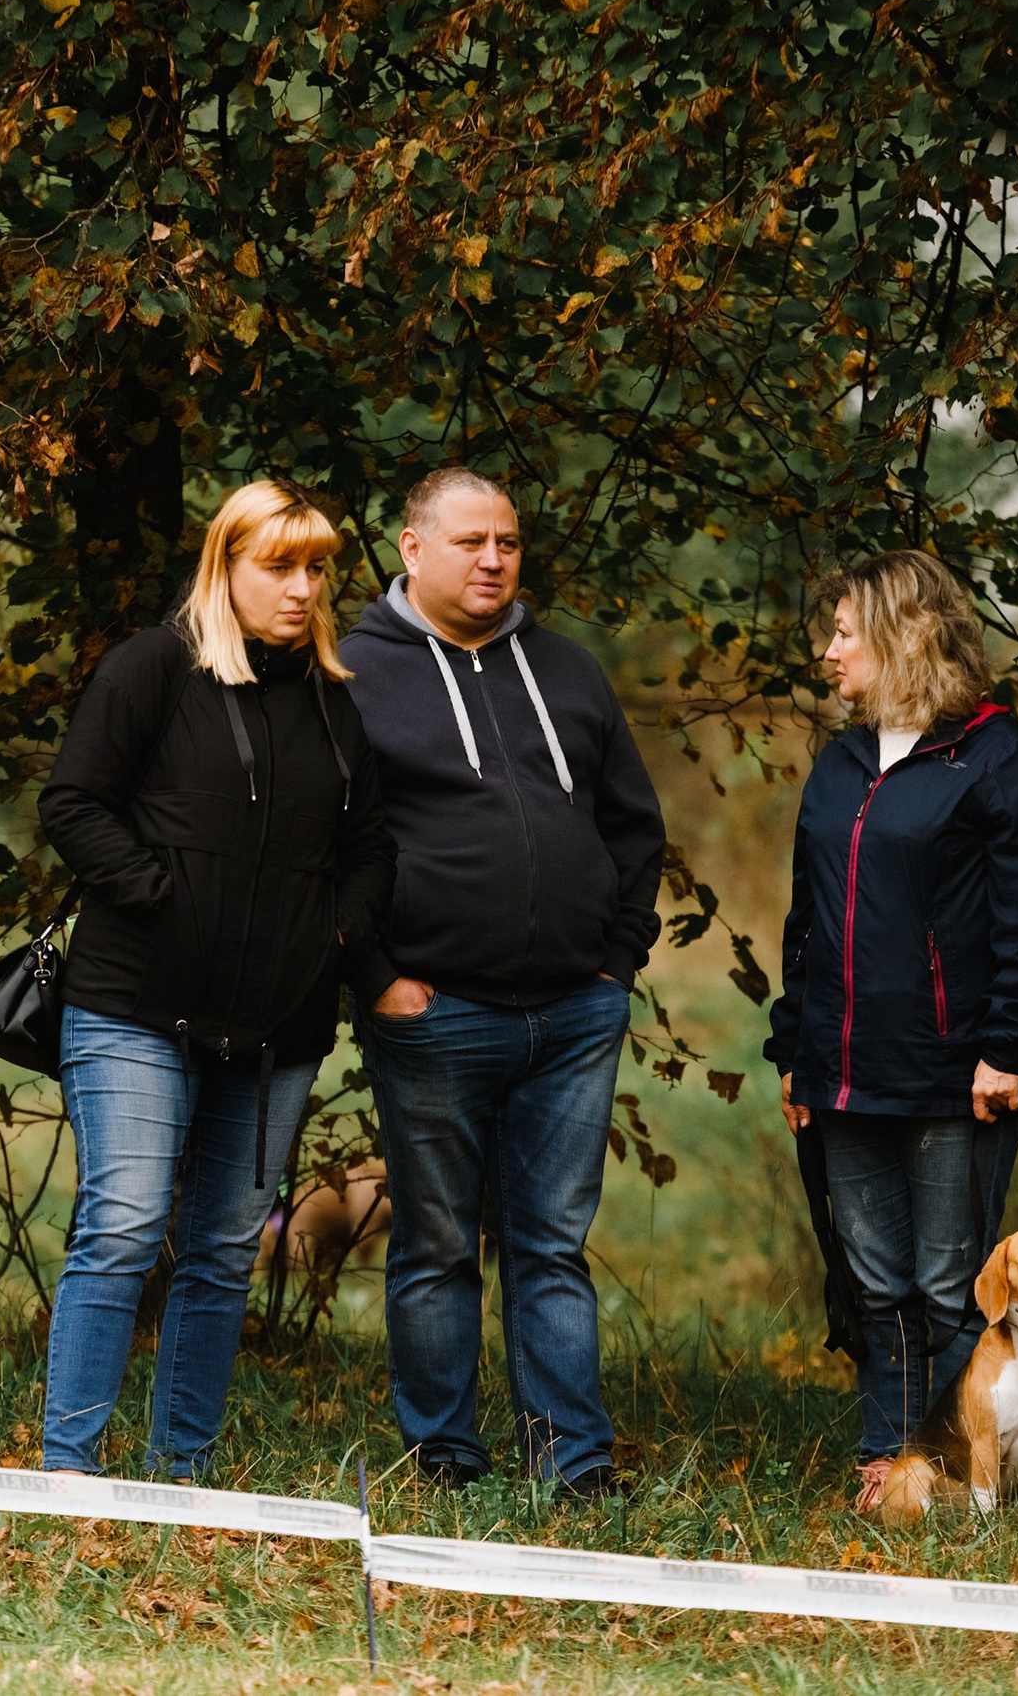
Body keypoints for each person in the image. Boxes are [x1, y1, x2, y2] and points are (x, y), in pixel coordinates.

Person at [35, 480, 395, 1480]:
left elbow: (371, 848)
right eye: (278, 566)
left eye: (315, 568)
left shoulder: (332, 703)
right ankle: (70, 1470)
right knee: (123, 1225)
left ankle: (180, 1474)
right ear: (224, 566)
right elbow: (73, 804)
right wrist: (160, 895)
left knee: (225, 1248)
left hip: (278, 1024)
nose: (302, 587)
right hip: (135, 1007)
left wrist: (333, 935)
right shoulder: (153, 668)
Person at [341, 467, 666, 1497]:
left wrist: (617, 962)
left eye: (509, 543)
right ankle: (446, 1453)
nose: (493, 560)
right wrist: (377, 976)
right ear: (412, 548)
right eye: (471, 541)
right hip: (434, 1011)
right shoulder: (353, 673)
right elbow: (325, 845)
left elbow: (634, 826)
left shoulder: (566, 669)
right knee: (437, 1242)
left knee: (551, 1245)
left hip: (575, 1010)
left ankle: (573, 1461)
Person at [766, 548, 1018, 1512]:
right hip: (844, 1073)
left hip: (955, 1073)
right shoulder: (841, 762)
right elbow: (805, 921)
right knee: (873, 1283)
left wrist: (1006, 1047)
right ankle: (888, 1463)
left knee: (951, 1286)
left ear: (904, 635)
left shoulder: (999, 760)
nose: (828, 652)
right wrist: (794, 1049)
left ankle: (958, 1469)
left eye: (844, 633)